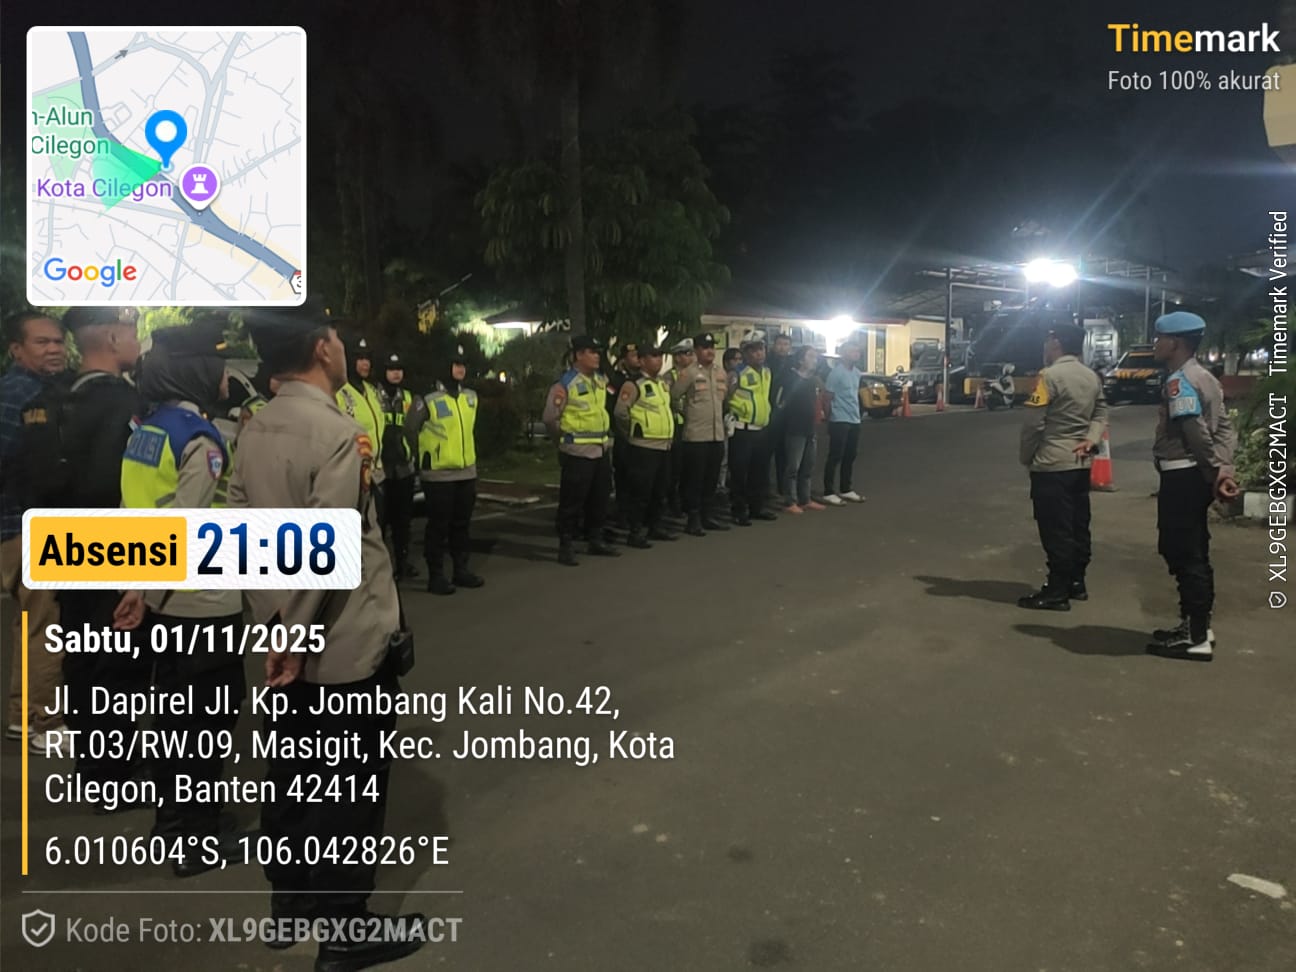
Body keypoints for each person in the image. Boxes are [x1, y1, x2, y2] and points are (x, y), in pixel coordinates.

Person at [231, 305, 426, 967]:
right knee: (349, 783)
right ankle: (345, 930)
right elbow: (329, 549)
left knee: (291, 774)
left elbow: (239, 532)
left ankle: (289, 905)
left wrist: (273, 625)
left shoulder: (256, 427)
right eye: (337, 339)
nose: (343, 347)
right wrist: (294, 638)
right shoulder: (336, 431)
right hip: (343, 645)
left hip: (280, 642)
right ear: (321, 348)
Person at [117, 318, 249, 874]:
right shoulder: (200, 438)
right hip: (203, 602)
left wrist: (137, 590)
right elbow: (186, 529)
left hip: (160, 605)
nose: (227, 377)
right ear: (199, 372)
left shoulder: (148, 430)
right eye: (220, 367)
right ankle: (197, 840)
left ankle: (171, 826)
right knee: (207, 726)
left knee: (172, 723)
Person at [54, 307, 153, 802]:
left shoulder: (57, 397)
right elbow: (123, 483)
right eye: (132, 332)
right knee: (118, 665)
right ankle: (114, 777)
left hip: (60, 544)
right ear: (113, 338)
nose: (137, 341)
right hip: (112, 546)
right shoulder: (125, 402)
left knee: (81, 659)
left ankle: (92, 771)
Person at [1145, 311, 1238, 661]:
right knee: (1195, 548)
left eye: (1159, 338)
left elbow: (1195, 432)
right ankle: (1198, 625)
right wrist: (1224, 470)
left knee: (1182, 551)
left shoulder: (1179, 381)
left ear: (1176, 343)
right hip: (1195, 475)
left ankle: (1194, 636)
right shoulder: (1206, 377)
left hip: (1183, 475)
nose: (1155, 344)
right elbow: (1225, 429)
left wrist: (1214, 471)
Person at [1, 310, 67, 752]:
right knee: (45, 626)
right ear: (16, 350)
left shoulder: (34, 391)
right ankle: (41, 723)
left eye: (58, 341)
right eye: (41, 342)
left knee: (30, 624)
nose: (54, 349)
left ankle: (21, 717)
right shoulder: (20, 397)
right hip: (24, 526)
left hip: (18, 526)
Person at [1016, 325, 1109, 611]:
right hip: (1080, 462)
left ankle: (1056, 591)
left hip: (1052, 462)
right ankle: (1076, 582)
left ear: (1055, 343)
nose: (1045, 346)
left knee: (1055, 528)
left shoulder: (1048, 377)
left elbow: (1034, 424)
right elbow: (1101, 413)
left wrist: (1027, 457)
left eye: (1048, 341)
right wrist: (1091, 439)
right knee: (1078, 524)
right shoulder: (1091, 376)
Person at [405, 348, 485, 594]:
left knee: (461, 525)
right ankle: (436, 576)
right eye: (455, 364)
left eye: (463, 364)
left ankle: (461, 570)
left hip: (466, 472)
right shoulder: (427, 398)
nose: (460, 368)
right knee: (438, 526)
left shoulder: (470, 397)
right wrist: (424, 456)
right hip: (438, 475)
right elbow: (410, 430)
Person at [543, 336, 619, 566]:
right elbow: (550, 419)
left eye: (598, 352)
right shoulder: (565, 384)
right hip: (577, 451)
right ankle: (566, 544)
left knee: (599, 498)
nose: (597, 356)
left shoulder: (600, 380)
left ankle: (595, 539)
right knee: (572, 502)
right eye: (591, 352)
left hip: (600, 449)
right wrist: (562, 442)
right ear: (578, 355)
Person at [613, 345, 677, 548]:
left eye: (660, 356)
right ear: (641, 361)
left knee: (660, 490)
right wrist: (633, 432)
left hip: (664, 445)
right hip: (643, 446)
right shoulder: (633, 384)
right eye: (653, 356)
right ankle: (635, 531)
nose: (658, 360)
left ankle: (655, 526)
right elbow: (621, 413)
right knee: (641, 492)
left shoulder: (662, 384)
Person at [672, 333, 730, 537]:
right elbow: (674, 396)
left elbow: (724, 398)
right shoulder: (688, 373)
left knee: (711, 479)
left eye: (712, 347)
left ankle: (707, 515)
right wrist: (687, 413)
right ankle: (693, 518)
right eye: (705, 347)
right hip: (696, 435)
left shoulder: (720, 372)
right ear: (696, 350)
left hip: (716, 435)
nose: (710, 351)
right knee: (694, 480)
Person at [726, 333, 776, 525]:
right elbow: (726, 397)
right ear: (745, 353)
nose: (759, 353)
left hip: (761, 429)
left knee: (760, 471)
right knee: (740, 473)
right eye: (753, 350)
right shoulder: (736, 373)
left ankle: (757, 507)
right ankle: (739, 510)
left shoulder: (766, 372)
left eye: (761, 349)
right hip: (742, 429)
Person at [336, 335, 387, 524]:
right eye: (360, 358)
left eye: (368, 358)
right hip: (353, 476)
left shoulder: (372, 391)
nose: (365, 363)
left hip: (377, 474)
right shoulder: (340, 393)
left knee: (378, 527)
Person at [378, 352, 419, 579]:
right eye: (392, 369)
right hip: (382, 467)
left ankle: (403, 563)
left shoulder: (409, 397)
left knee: (403, 521)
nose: (396, 373)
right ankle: (381, 567)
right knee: (381, 521)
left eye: (399, 369)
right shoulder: (375, 396)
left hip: (404, 468)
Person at [777, 346, 826, 513]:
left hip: (809, 428)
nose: (814, 360)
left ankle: (805, 499)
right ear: (800, 360)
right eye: (810, 356)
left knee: (808, 467)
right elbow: (781, 403)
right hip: (794, 429)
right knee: (793, 467)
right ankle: (790, 501)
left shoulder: (812, 381)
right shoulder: (790, 378)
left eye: (815, 357)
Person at [823, 341, 865, 505]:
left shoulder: (857, 373)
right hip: (839, 419)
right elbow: (827, 397)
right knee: (835, 456)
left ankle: (846, 489)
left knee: (850, 455)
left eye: (857, 351)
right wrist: (829, 418)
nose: (856, 354)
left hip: (854, 419)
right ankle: (828, 492)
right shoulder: (836, 373)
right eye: (852, 351)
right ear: (844, 354)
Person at [607, 342, 641, 527]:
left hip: (641, 436)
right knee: (623, 475)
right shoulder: (616, 380)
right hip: (624, 434)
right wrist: (619, 430)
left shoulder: (644, 379)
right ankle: (622, 513)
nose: (637, 359)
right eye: (633, 356)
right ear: (623, 360)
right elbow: (611, 405)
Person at [663, 338, 695, 515]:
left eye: (691, 353)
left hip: (695, 425)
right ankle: (673, 502)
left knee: (690, 468)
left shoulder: (698, 373)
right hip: (678, 425)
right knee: (676, 468)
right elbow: (670, 400)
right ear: (676, 357)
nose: (690, 357)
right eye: (686, 354)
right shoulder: (669, 376)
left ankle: (687, 501)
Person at [768, 332, 794, 493]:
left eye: (785, 344)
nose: (782, 347)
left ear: (790, 347)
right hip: (769, 412)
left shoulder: (793, 364)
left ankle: (783, 488)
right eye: (779, 344)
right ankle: (764, 488)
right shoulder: (767, 363)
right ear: (773, 345)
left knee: (784, 454)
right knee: (765, 453)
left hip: (787, 415)